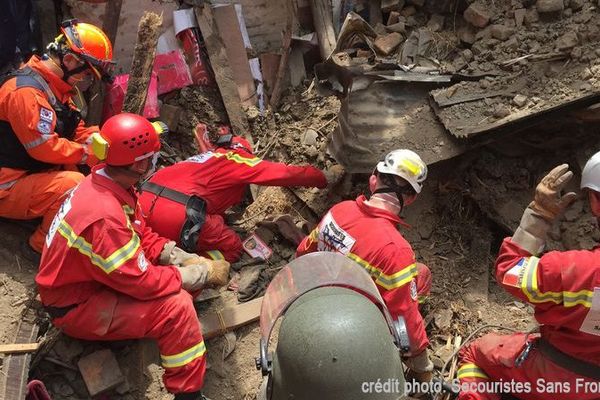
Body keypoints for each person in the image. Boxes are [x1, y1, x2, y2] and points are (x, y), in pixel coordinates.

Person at [36, 113, 230, 400]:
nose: (155, 161)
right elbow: (141, 281)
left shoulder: (106, 185)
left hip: (91, 283)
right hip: (77, 307)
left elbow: (139, 235)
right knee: (177, 308)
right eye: (151, 156)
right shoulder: (104, 217)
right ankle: (188, 394)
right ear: (139, 163)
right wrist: (193, 274)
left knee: (183, 286)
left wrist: (177, 256)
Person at [456, 161, 600, 400]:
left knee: (475, 352)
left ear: (596, 201)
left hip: (559, 378)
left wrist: (538, 216)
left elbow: (509, 270)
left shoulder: (572, 270)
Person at [296, 149, 434, 380]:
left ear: (373, 179)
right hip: (354, 335)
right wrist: (421, 364)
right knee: (421, 275)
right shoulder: (396, 251)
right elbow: (404, 317)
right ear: (411, 198)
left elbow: (303, 253)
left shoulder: (340, 210)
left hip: (314, 303)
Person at [0, 19, 114, 259]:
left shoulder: (54, 88)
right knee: (73, 183)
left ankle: (51, 213)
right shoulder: (25, 93)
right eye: (86, 73)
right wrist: (86, 153)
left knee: (85, 171)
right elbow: (43, 147)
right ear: (70, 60)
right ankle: (39, 247)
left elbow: (73, 126)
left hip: (26, 172)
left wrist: (101, 140)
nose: (86, 80)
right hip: (6, 183)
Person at [138, 134, 343, 263]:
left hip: (143, 204)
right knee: (233, 248)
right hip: (178, 214)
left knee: (215, 219)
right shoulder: (237, 160)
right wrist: (324, 177)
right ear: (245, 152)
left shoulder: (206, 158)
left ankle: (170, 252)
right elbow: (284, 174)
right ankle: (195, 263)